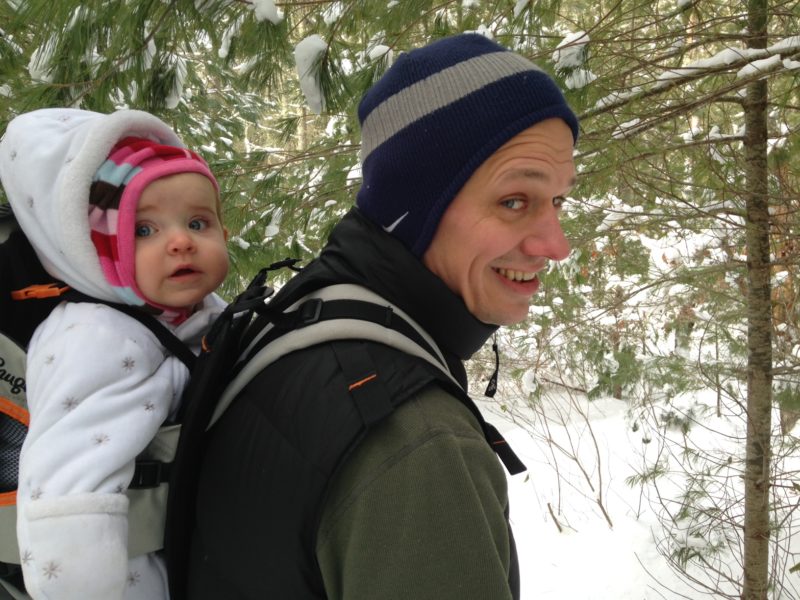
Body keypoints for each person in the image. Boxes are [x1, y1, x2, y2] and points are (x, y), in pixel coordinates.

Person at [187, 33, 578, 599]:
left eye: (559, 200)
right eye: (514, 201)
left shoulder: (308, 310)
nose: (556, 244)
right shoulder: (417, 448)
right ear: (417, 208)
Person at [0, 108, 229, 599]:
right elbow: (64, 490)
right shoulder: (95, 340)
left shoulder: (186, 306)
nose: (181, 242)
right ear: (101, 249)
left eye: (198, 221)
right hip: (122, 569)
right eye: (144, 230)